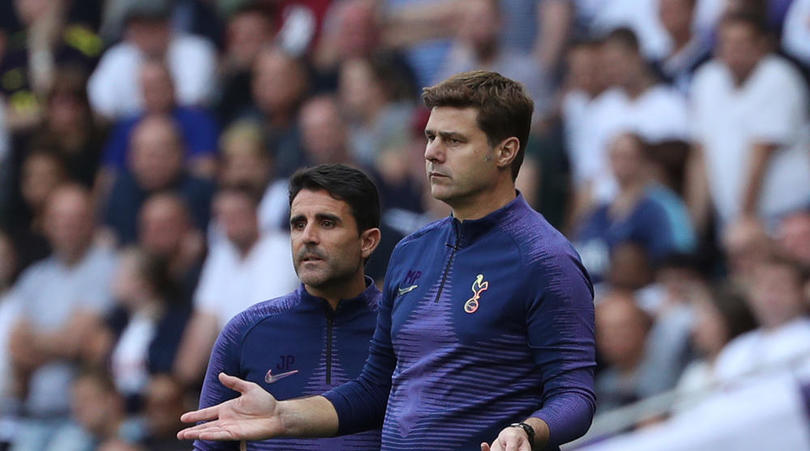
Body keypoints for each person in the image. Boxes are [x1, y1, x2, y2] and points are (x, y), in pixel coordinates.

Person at [178, 71, 596, 451]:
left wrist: (527, 430)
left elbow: (575, 394)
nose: (432, 153)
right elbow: (375, 389)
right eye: (431, 138)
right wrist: (283, 416)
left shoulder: (545, 258)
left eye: (453, 140)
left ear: (505, 151)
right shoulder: (411, 251)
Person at [194, 164, 383, 450]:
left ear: (367, 241)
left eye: (327, 222)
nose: (308, 236)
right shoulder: (245, 331)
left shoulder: (399, 328)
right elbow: (209, 446)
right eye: (298, 224)